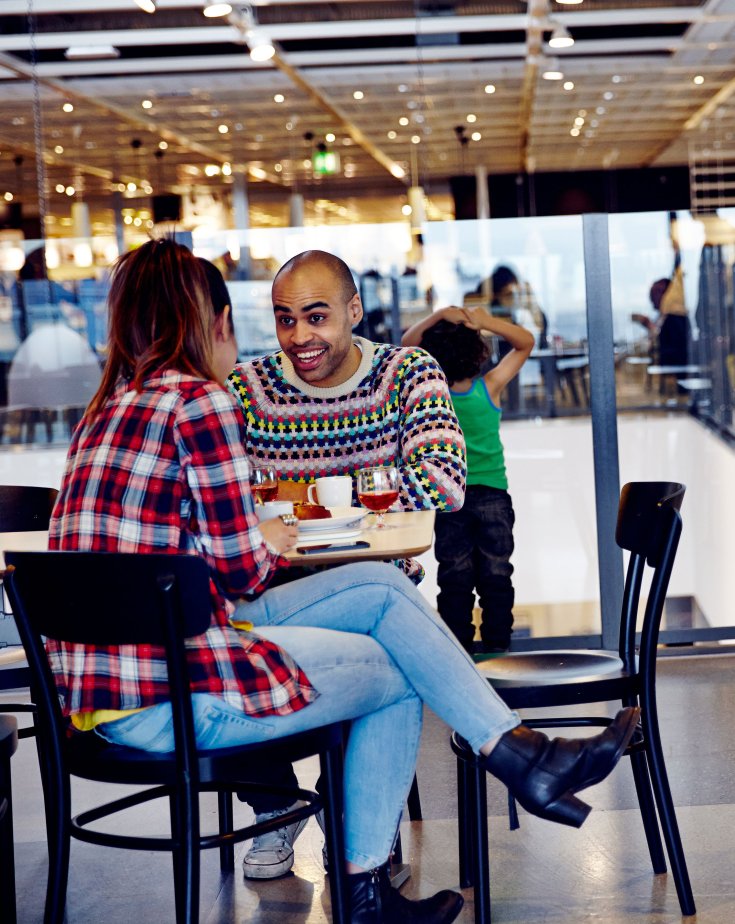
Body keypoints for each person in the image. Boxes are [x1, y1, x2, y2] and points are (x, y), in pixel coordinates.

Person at [47, 239, 640, 924]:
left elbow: (186, 555)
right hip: (171, 696)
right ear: (209, 322)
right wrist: (261, 535)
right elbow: (239, 569)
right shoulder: (200, 403)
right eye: (264, 319)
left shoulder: (102, 413)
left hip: (102, 699)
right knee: (394, 671)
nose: (289, 335)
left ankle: (518, 755)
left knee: (381, 591)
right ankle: (370, 887)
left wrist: (264, 518)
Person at [226, 248, 467, 878]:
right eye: (285, 319)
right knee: (215, 641)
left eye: (316, 316)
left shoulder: (409, 373)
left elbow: (443, 481)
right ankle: (277, 808)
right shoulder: (245, 390)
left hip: (377, 590)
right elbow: (220, 494)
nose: (300, 336)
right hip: (273, 588)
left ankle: (357, 823)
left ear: (354, 310)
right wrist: (359, 492)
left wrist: (298, 498)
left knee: (381, 639)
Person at [402, 306, 534, 654]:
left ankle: (458, 654)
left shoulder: (434, 395)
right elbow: (525, 343)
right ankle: (498, 651)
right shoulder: (489, 386)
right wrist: (485, 321)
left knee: (454, 578)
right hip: (493, 495)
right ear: (477, 353)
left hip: (448, 498)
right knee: (497, 577)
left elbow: (406, 342)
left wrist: (438, 315)